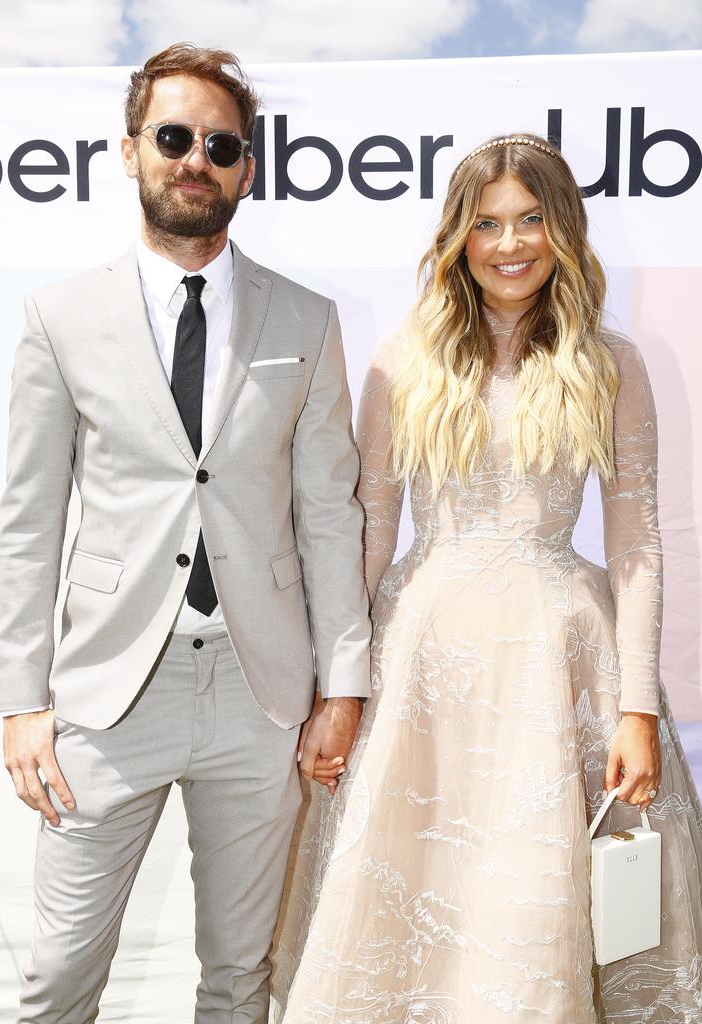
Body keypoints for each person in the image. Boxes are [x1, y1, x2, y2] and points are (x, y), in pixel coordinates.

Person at [272, 134, 702, 1023]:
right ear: (459, 238)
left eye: (532, 220)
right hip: (421, 662)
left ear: (565, 231)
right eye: (488, 224)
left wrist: (636, 710)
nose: (511, 244)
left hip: (559, 663)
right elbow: (369, 537)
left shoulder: (610, 363)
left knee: (534, 903)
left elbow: (639, 546)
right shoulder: (403, 361)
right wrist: (337, 687)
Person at [0, 43, 370, 1024]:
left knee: (240, 980)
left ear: (247, 165)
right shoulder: (59, 318)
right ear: (130, 151)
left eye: (221, 143)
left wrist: (345, 683)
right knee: (60, 977)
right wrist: (21, 700)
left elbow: (329, 511)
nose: (195, 157)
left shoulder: (307, 317)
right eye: (174, 136)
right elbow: (30, 522)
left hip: (262, 691)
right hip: (110, 694)